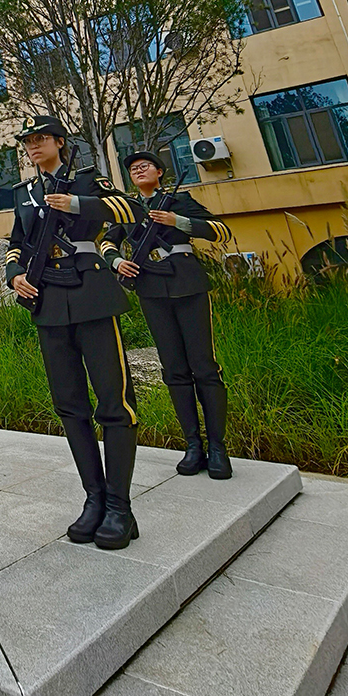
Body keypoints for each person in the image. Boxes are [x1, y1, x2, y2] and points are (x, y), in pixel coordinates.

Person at [5, 117, 140, 550]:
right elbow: (16, 242)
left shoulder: (86, 179)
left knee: (114, 403)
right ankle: (94, 498)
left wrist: (77, 204)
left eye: (40, 138)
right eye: (27, 141)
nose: (33, 145)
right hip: (48, 300)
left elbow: (129, 211)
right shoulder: (24, 192)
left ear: (60, 142)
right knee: (70, 406)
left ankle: (120, 506)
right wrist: (14, 274)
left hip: (91, 294)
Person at [102, 150, 234, 479]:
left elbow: (220, 231)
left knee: (204, 365)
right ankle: (193, 445)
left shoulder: (180, 200)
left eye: (145, 166)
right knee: (173, 368)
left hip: (187, 283)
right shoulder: (128, 208)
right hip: (151, 288)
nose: (139, 171)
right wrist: (118, 263)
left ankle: (218, 447)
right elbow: (107, 243)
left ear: (159, 171)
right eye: (133, 169)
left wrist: (179, 222)